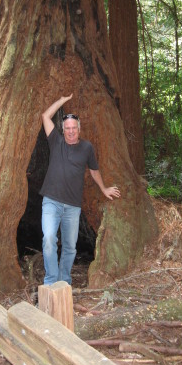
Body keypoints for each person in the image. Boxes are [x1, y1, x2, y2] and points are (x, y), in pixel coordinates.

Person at [40, 94, 120, 285]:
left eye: (73, 128)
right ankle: (51, 283)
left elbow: (94, 171)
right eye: (67, 128)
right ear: (63, 129)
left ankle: (64, 282)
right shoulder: (56, 141)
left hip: (72, 207)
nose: (70, 132)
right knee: (49, 239)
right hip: (51, 202)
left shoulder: (86, 148)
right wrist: (61, 100)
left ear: (79, 128)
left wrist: (104, 189)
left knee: (70, 248)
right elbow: (45, 116)